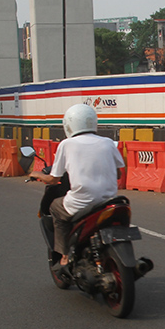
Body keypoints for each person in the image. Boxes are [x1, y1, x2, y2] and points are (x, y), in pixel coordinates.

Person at [33, 104, 125, 266]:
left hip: (81, 202)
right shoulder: (108, 143)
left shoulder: (66, 144)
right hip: (110, 201)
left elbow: (54, 180)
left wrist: (37, 174)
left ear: (69, 124)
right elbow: (119, 173)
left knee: (55, 207)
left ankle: (65, 255)